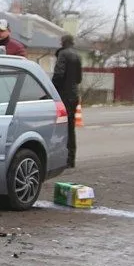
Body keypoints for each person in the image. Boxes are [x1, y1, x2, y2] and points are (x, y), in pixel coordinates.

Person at [52, 34, 83, 168]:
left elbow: (59, 75)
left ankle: (61, 158)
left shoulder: (63, 55)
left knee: (60, 127)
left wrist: (52, 89)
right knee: (70, 128)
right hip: (74, 95)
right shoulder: (77, 55)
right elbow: (78, 79)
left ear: (62, 42)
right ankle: (71, 159)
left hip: (63, 95)